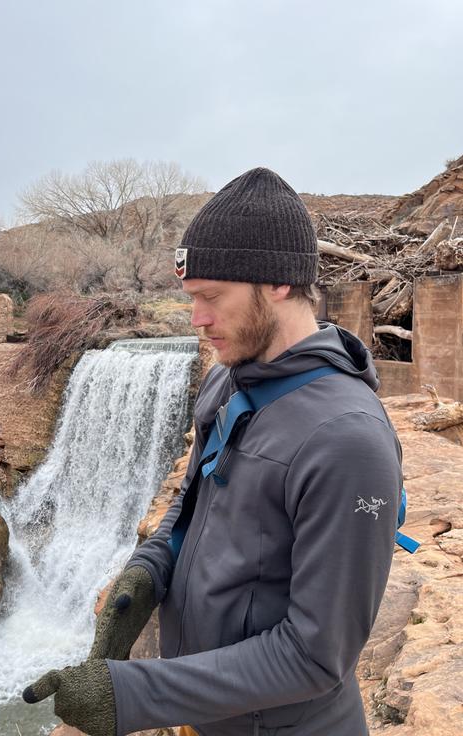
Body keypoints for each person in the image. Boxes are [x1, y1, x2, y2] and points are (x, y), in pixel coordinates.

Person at [23, 167, 402, 736]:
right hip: (207, 719)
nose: (197, 319)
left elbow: (316, 656)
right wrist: (148, 570)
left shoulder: (348, 442)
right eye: (191, 297)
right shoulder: (230, 381)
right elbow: (193, 501)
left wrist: (130, 694)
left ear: (277, 282)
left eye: (211, 297)